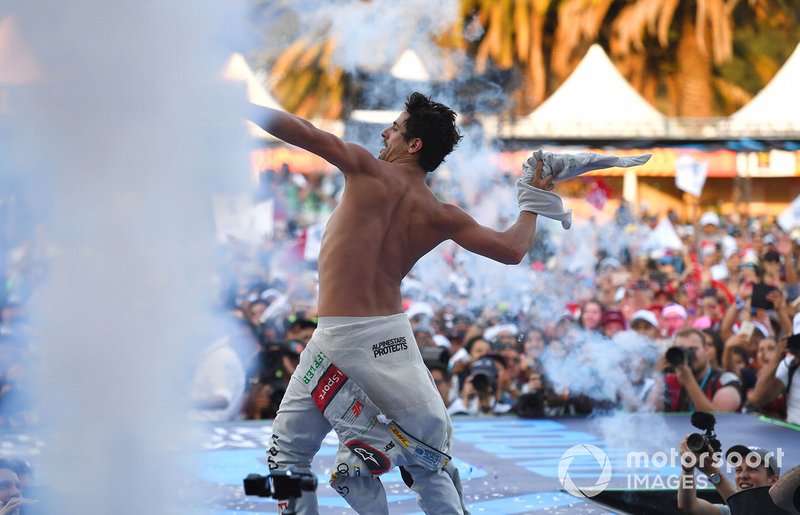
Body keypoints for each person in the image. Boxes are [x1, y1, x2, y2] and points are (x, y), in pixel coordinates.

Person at [252, 92, 566, 515]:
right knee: (426, 459)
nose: (385, 133)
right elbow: (512, 250)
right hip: (392, 338)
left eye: (395, 128)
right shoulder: (441, 213)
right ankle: (376, 456)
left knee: (288, 457)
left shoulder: (368, 170)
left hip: (338, 339)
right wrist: (532, 199)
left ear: (413, 144)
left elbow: (303, 132)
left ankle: (366, 454)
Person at [677, 437, 780, 514]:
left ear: (773, 480)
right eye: (738, 470)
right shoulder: (730, 511)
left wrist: (711, 470)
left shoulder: (784, 508)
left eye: (752, 469)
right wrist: (688, 469)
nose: (743, 475)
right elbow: (688, 506)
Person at [653, 328, 742, 412]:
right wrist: (658, 377)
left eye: (692, 349)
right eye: (681, 350)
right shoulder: (669, 379)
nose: (687, 355)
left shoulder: (725, 380)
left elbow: (717, 420)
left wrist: (689, 382)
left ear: (706, 350)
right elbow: (651, 411)